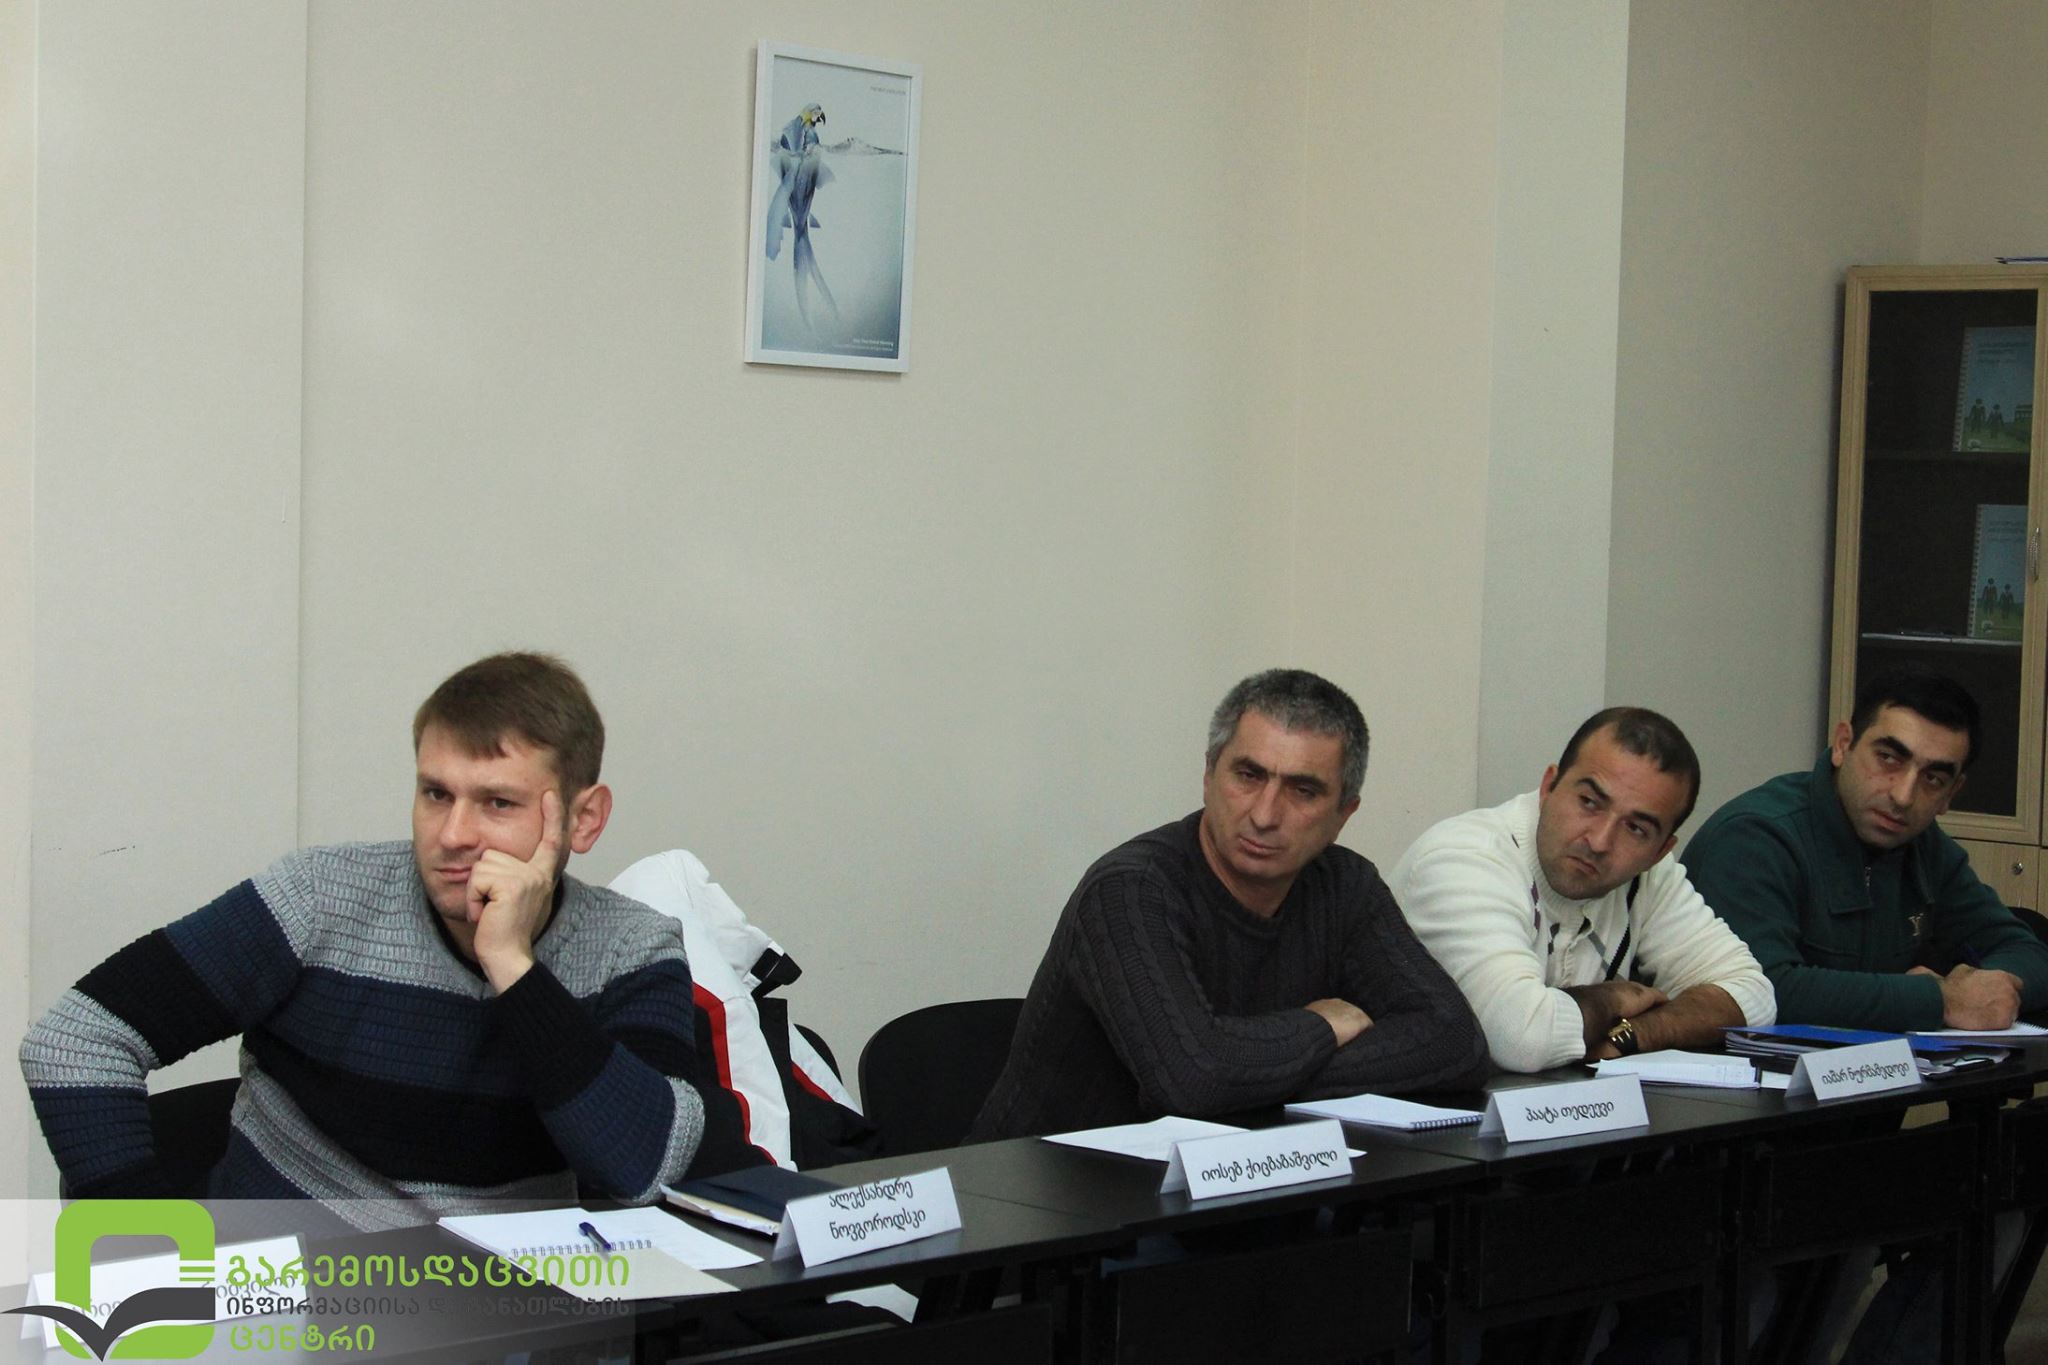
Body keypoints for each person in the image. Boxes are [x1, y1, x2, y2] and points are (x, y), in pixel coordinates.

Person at [20, 652, 704, 1227]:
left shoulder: (632, 947)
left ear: (584, 819)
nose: (453, 834)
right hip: (287, 1298)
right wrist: (145, 1252)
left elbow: (645, 1168)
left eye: (498, 802)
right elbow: (75, 1040)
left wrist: (511, 963)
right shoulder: (319, 898)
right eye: (436, 794)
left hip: (497, 1305)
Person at [971, 669, 1487, 1141]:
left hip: (1231, 1186)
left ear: (1343, 814)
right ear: (1208, 775)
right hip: (1053, 1200)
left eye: (1303, 790)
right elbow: (1193, 1078)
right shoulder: (1130, 889)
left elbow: (1455, 1042)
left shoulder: (1345, 885)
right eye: (1248, 775)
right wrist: (1321, 1027)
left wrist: (1249, 1076)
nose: (1265, 815)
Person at [1389, 707, 1774, 1073]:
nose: (1600, 841)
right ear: (1548, 787)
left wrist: (1637, 1033)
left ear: (1660, 851)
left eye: (1636, 828)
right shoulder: (1465, 858)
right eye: (1589, 802)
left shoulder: (1651, 876)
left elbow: (1753, 997)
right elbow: (1522, 1036)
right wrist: (1615, 998)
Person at [1685, 662, 2048, 1030]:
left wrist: (1991, 989)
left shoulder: (1924, 846)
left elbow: (2029, 953)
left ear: (1951, 794)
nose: (1903, 796)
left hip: (1881, 1065)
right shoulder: (1755, 837)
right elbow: (1759, 990)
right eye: (1888, 758)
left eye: (1933, 779)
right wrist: (1938, 999)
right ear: (1843, 744)